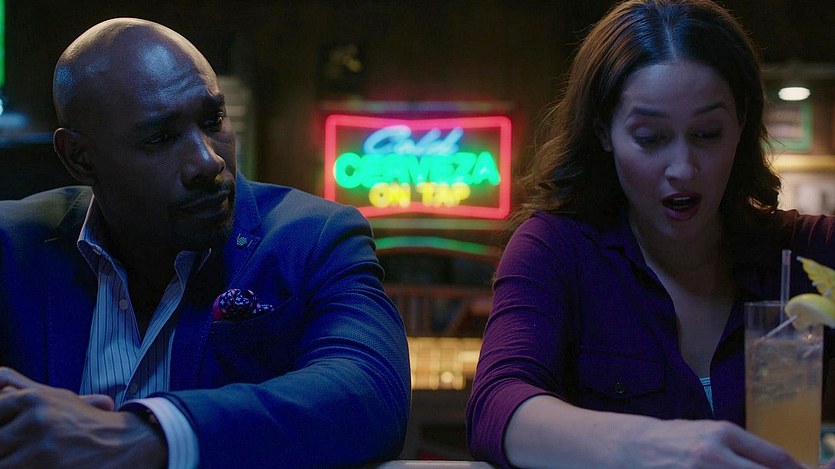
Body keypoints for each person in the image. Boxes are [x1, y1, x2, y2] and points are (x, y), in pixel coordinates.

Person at [0, 17, 410, 469]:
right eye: (160, 137)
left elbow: (370, 391)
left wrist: (151, 434)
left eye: (213, 120)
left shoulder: (314, 238)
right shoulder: (12, 246)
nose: (208, 160)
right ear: (80, 158)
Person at [466, 0, 835, 468]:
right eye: (650, 138)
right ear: (604, 131)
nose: (683, 168)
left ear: (740, 124)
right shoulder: (557, 249)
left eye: (707, 133)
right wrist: (647, 445)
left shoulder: (806, 253)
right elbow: (496, 407)